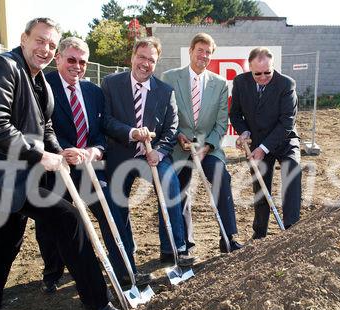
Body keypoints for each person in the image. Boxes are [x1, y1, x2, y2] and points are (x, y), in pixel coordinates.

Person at [0, 18, 122, 310]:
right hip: (1, 174)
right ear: (24, 38)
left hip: (22, 174)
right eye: (40, 41)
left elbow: (45, 128)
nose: (44, 49)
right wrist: (39, 155)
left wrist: (60, 152)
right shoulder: (1, 68)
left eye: (50, 44)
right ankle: (98, 304)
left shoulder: (39, 80)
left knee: (7, 239)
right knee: (68, 219)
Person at [35, 37, 151, 294]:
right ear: (59, 59)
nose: (77, 66)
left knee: (112, 208)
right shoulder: (43, 87)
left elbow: (100, 131)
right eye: (71, 60)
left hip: (89, 168)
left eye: (82, 62)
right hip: (55, 169)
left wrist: (95, 150)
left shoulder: (93, 92)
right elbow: (42, 128)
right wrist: (64, 151)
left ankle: (125, 270)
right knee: (51, 223)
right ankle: (51, 273)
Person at [101, 37, 194, 266]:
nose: (145, 63)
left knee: (170, 183)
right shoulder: (111, 84)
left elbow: (171, 128)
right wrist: (131, 133)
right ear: (132, 57)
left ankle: (174, 247)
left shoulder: (165, 91)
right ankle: (126, 253)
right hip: (120, 153)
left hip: (152, 155)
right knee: (117, 201)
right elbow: (106, 120)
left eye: (151, 60)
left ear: (156, 62)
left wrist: (160, 152)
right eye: (141, 57)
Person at [161, 33, 242, 253]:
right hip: (179, 146)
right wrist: (177, 134)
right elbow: (165, 114)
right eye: (200, 50)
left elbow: (221, 122)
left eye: (208, 52)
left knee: (221, 177)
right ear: (191, 50)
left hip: (208, 146)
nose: (203, 56)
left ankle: (228, 237)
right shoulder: (170, 78)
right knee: (177, 187)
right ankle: (182, 242)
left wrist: (208, 146)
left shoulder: (220, 84)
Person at [230, 47, 302, 238]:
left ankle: (291, 231)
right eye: (257, 73)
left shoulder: (287, 84)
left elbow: (287, 122)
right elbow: (235, 113)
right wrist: (244, 132)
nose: (262, 77)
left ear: (273, 66)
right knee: (260, 186)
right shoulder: (240, 82)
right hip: (257, 138)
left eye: (267, 72)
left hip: (285, 139)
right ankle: (259, 232)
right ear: (249, 67)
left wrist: (264, 148)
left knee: (291, 172)